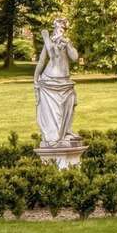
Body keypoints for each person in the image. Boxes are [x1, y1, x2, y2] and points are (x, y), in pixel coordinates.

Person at [33, 17, 81, 148]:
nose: (62, 30)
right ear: (55, 28)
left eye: (64, 28)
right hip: (49, 81)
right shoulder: (49, 42)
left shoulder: (66, 42)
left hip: (65, 82)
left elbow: (75, 57)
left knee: (69, 105)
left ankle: (65, 132)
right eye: (60, 27)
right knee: (53, 112)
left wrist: (67, 43)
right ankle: (54, 137)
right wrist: (35, 78)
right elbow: (42, 61)